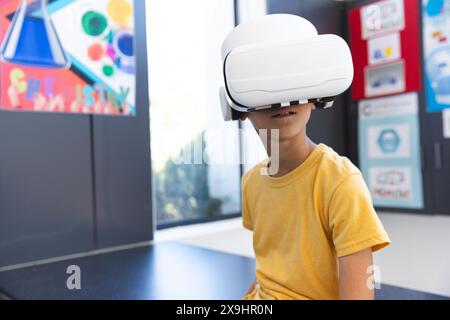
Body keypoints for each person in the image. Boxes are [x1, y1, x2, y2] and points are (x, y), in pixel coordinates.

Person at [220, 14, 390, 300]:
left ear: (316, 94)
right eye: (262, 83)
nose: (281, 98)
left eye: (292, 78)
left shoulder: (341, 183)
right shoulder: (251, 182)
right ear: (238, 108)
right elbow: (269, 273)